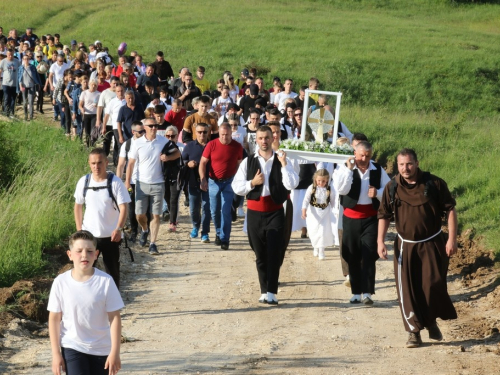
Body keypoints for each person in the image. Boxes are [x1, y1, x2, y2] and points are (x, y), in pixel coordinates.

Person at [377, 148, 458, 348]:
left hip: (433, 242)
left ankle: (430, 321)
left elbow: (450, 210)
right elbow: (384, 215)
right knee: (407, 290)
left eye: (409, 164)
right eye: (401, 164)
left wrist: (452, 239)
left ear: (417, 163)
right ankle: (414, 332)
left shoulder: (434, 183)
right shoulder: (392, 187)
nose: (405, 168)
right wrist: (380, 241)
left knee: (432, 285)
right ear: (397, 165)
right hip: (406, 246)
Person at [232, 126, 299, 305]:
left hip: (276, 210)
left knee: (274, 251)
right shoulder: (248, 162)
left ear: (272, 138)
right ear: (257, 140)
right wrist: (252, 183)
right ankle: (264, 290)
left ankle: (271, 291)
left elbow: (292, 184)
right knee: (260, 252)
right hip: (254, 212)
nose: (264, 141)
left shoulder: (282, 159)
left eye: (267, 137)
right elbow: (236, 187)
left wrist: (284, 165)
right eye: (261, 138)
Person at [48, 230, 123, 375]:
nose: (84, 255)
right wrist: (56, 354)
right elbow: (54, 319)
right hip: (72, 346)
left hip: (101, 348)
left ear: (96, 254)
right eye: (79, 251)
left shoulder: (106, 281)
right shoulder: (60, 282)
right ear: (70, 255)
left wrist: (115, 352)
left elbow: (114, 317)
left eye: (89, 251)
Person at [333, 141, 390, 305]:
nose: (364, 159)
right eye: (361, 155)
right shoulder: (344, 168)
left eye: (368, 156)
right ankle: (356, 292)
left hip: (371, 219)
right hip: (350, 218)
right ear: (355, 153)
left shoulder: (377, 169)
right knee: (352, 254)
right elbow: (341, 190)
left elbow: (388, 191)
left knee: (368, 255)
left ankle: (368, 292)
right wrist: (349, 170)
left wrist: (377, 193)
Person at [74, 148, 130, 289]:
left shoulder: (115, 183)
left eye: (99, 163)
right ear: (89, 163)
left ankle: (113, 306)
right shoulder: (84, 182)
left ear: (106, 162)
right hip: (89, 237)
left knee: (112, 273)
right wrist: (79, 230)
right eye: (93, 163)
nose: (96, 166)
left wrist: (119, 229)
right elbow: (78, 206)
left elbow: (124, 208)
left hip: (111, 237)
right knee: (85, 271)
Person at [125, 118, 179, 255]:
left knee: (156, 215)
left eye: (155, 125)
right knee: (139, 215)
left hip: (159, 183)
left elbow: (177, 153)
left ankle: (153, 243)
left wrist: (168, 158)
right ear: (145, 127)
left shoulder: (163, 141)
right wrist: (127, 181)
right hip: (141, 183)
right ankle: (144, 229)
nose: (154, 128)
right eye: (151, 126)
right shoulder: (137, 143)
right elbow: (130, 163)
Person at [199, 123, 243, 250]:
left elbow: (239, 164)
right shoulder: (211, 145)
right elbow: (203, 162)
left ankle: (225, 238)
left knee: (225, 210)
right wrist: (203, 179)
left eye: (227, 135)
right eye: (222, 135)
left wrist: (237, 178)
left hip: (229, 182)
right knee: (214, 210)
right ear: (219, 134)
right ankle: (218, 233)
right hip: (213, 181)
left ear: (231, 134)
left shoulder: (237, 146)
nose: (225, 137)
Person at [116, 121, 145, 244]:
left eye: (144, 130)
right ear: (133, 132)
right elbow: (121, 164)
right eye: (140, 131)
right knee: (132, 208)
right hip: (132, 181)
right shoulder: (127, 145)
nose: (143, 133)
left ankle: (145, 230)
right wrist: (118, 183)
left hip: (146, 180)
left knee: (144, 209)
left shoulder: (147, 142)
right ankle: (134, 231)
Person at [182, 123, 212, 243]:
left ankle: (205, 232)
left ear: (208, 132)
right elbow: (183, 159)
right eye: (199, 132)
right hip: (193, 181)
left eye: (204, 132)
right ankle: (195, 226)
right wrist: (187, 163)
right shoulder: (189, 146)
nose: (202, 134)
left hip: (210, 182)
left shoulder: (212, 144)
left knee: (206, 208)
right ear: (195, 132)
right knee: (194, 208)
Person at [301, 169, 337, 260]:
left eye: (324, 181)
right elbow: (306, 200)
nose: (321, 183)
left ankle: (321, 251)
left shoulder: (329, 189)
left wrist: (335, 212)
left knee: (323, 231)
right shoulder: (311, 188)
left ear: (327, 180)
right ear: (315, 179)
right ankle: (315, 247)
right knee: (314, 231)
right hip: (313, 213)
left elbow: (333, 202)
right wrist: (304, 211)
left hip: (325, 213)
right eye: (319, 181)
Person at [18, 54, 41, 121]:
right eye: (25, 59)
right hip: (24, 87)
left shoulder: (32, 67)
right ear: (23, 60)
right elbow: (19, 78)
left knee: (31, 102)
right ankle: (25, 116)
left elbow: (36, 76)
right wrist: (20, 86)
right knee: (25, 102)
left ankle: (31, 116)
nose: (26, 60)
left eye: (27, 59)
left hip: (31, 86)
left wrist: (38, 84)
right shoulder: (21, 68)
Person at [79, 79, 101, 146]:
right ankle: (88, 145)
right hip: (86, 114)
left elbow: (100, 106)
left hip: (94, 114)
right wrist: (82, 109)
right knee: (87, 131)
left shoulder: (99, 94)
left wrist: (97, 105)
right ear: (89, 85)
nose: (93, 86)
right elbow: (80, 104)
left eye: (95, 85)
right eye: (92, 85)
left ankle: (92, 145)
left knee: (93, 131)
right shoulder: (84, 93)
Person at [0, 49, 20, 118]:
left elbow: (20, 71)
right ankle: (6, 112)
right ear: (7, 55)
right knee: (6, 97)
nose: (10, 56)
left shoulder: (17, 61)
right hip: (5, 83)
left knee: (13, 99)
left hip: (14, 83)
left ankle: (12, 112)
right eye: (9, 55)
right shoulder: (3, 61)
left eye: (11, 55)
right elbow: (0, 71)